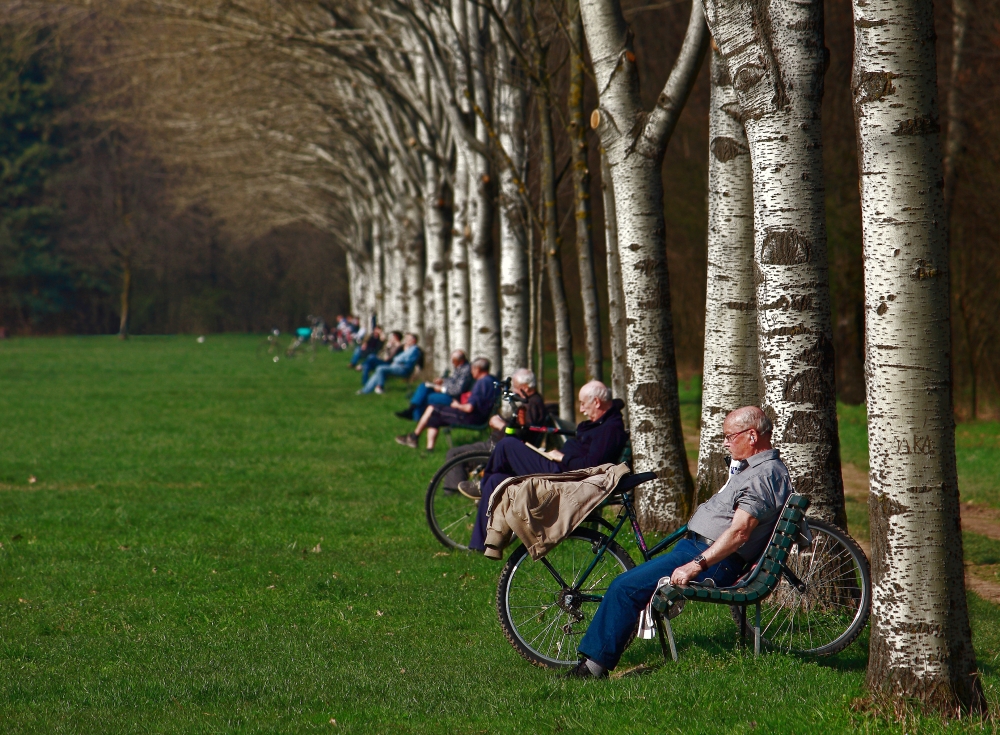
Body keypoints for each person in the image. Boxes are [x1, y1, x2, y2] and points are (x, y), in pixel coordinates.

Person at [565, 406, 791, 678]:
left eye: (730, 436)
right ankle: (595, 662)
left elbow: (740, 533)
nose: (725, 442)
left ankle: (591, 670)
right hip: (698, 549)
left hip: (710, 559)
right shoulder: (757, 469)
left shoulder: (762, 475)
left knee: (624, 587)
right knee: (630, 584)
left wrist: (695, 566)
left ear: (752, 436)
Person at [465, 380, 628, 552]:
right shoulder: (603, 423)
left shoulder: (610, 428)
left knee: (507, 445)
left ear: (596, 402)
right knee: (497, 480)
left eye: (583, 403)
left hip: (565, 477)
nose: (581, 409)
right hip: (560, 468)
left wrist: (563, 457)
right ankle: (479, 546)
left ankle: (481, 487)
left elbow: (592, 465)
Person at [441, 368, 548, 492]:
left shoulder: (532, 405)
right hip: (500, 444)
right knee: (459, 453)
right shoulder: (532, 402)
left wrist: (501, 424)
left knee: (455, 453)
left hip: (500, 448)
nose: (513, 390)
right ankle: (463, 488)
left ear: (526, 388)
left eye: (516, 387)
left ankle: (452, 492)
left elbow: (521, 433)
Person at [395, 357, 497, 451]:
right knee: (434, 416)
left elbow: (469, 408)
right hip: (481, 416)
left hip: (471, 417)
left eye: (472, 369)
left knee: (432, 408)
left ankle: (414, 437)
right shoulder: (492, 380)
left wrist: (457, 405)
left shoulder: (481, 383)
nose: (471, 371)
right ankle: (429, 449)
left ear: (477, 369)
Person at [395, 350, 473, 420]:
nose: (452, 363)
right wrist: (443, 381)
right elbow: (453, 381)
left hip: (454, 398)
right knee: (424, 386)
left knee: (428, 397)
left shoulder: (466, 371)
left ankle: (416, 417)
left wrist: (442, 389)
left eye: (453, 361)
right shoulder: (460, 367)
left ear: (461, 361)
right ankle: (411, 409)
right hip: (447, 391)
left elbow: (458, 390)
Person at [357, 333, 422, 395]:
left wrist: (397, 359)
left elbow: (400, 359)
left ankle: (380, 387)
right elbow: (398, 358)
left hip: (404, 369)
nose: (406, 340)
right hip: (399, 367)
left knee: (380, 368)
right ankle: (365, 390)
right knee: (378, 370)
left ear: (414, 340)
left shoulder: (414, 349)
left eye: (408, 339)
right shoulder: (409, 349)